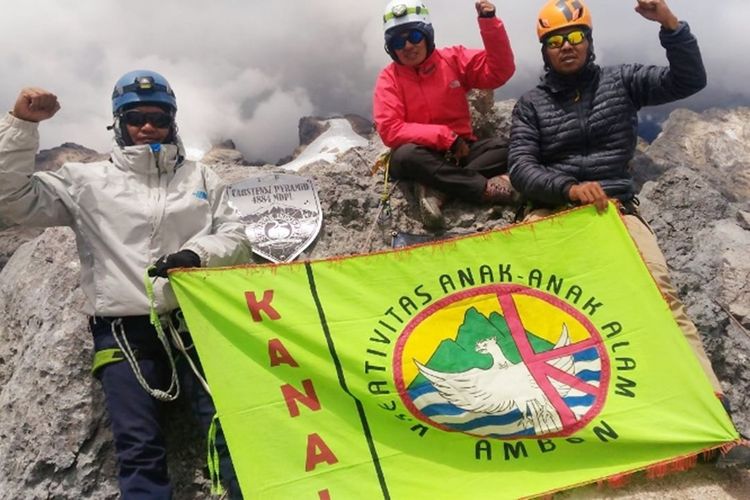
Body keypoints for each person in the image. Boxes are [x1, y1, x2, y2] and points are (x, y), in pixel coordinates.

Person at [508, 0, 750, 466]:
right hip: (549, 212)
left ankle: (711, 419)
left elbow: (688, 81)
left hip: (613, 210)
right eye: (555, 41)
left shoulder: (621, 81)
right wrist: (568, 187)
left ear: (589, 41)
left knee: (661, 297)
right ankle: (538, 428)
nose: (567, 47)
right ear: (545, 51)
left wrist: (670, 25)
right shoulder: (531, 104)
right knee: (528, 309)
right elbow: (520, 167)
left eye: (575, 37)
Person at [0, 70, 252, 497]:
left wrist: (197, 255)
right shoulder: (85, 182)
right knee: (139, 449)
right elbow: (13, 199)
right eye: (136, 117)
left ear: (173, 120)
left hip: (196, 327)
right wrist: (22, 126)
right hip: (122, 333)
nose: (147, 126)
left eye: (158, 116)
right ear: (119, 123)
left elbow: (237, 237)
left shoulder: (201, 179)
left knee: (230, 435)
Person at [373, 0, 517, 230]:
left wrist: (489, 24)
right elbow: (390, 129)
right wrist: (446, 136)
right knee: (405, 156)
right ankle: (481, 189)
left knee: (515, 146)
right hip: (421, 154)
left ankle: (440, 189)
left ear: (427, 34)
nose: (408, 45)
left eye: (415, 36)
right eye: (399, 41)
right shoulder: (388, 78)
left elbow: (500, 71)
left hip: (462, 153)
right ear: (391, 48)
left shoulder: (453, 59)